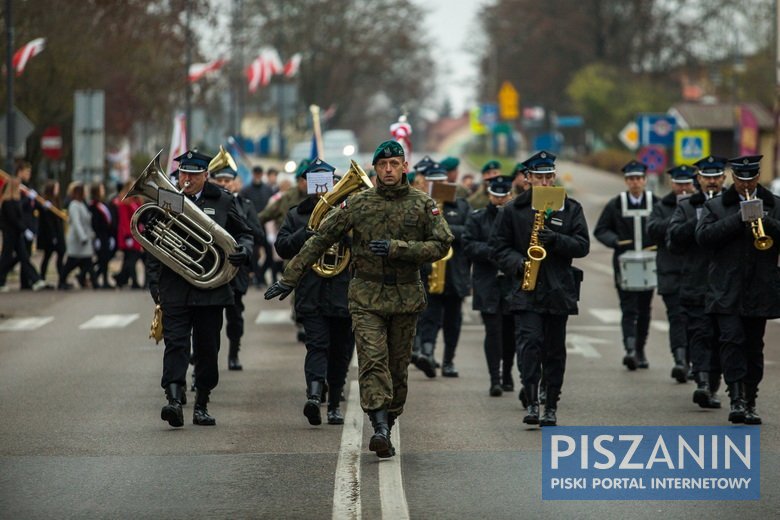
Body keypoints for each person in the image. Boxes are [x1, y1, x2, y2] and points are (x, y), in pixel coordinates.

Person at [265, 140, 453, 457]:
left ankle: (388, 422)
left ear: (405, 166)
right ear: (376, 169)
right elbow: (321, 238)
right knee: (372, 361)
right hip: (366, 297)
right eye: (383, 165)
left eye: (394, 164)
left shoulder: (423, 205)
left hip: (405, 296)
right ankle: (378, 427)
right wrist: (290, 277)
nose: (389, 170)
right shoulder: (358, 204)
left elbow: (442, 243)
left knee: (397, 369)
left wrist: (400, 249)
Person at [147, 150, 253, 428]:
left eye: (194, 174)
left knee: (208, 348)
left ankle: (202, 404)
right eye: (183, 173)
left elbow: (245, 234)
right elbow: (152, 245)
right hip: (175, 286)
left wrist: (244, 251)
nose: (187, 179)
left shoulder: (223, 199)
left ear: (206, 175)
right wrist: (153, 284)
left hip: (211, 288)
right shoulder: (168, 198)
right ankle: (172, 400)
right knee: (176, 344)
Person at [491, 151, 589, 426]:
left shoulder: (570, 208)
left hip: (559, 289)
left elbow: (582, 245)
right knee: (529, 344)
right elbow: (498, 247)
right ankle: (532, 401)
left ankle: (551, 405)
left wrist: (556, 239)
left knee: (555, 350)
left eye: (549, 177)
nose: (545, 183)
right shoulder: (513, 210)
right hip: (526, 288)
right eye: (539, 177)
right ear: (527, 179)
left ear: (554, 177)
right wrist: (519, 263)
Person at [695, 154, 780, 425]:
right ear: (733, 178)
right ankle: (736, 400)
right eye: (741, 179)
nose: (746, 184)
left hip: (760, 287)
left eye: (751, 179)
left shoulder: (774, 204)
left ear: (758, 177)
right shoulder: (718, 205)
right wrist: (738, 219)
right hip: (726, 288)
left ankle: (751, 399)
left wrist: (765, 221)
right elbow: (703, 238)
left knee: (754, 347)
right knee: (731, 342)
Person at [275, 158, 354, 425]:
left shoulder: (348, 212)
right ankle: (314, 395)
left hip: (343, 292)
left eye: (327, 180)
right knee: (316, 345)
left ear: (334, 184)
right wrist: (304, 234)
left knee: (341, 350)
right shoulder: (296, 214)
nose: (322, 186)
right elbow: (282, 247)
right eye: (316, 180)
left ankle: (333, 404)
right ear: (307, 183)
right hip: (311, 291)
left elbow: (363, 245)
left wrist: (345, 234)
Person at [668, 155, 728, 410]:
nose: (711, 182)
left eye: (716, 176)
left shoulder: (733, 203)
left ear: (724, 178)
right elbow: (674, 240)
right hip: (696, 281)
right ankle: (703, 383)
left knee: (721, 337)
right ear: (699, 180)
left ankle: (714, 384)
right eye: (706, 177)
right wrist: (701, 218)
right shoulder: (687, 206)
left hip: (727, 282)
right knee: (700, 333)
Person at [594, 160, 656, 370]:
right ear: (626, 181)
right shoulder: (615, 204)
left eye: (638, 178)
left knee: (644, 309)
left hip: (649, 263)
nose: (635, 182)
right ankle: (629, 349)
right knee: (628, 308)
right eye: (631, 179)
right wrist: (615, 241)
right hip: (624, 263)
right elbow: (601, 230)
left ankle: (640, 349)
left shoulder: (655, 202)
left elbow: (667, 226)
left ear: (645, 180)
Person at [414, 161, 472, 378]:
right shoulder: (420, 205)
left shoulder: (461, 205)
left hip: (455, 272)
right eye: (433, 182)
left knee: (453, 320)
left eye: (441, 182)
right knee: (429, 316)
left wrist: (444, 225)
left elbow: (469, 232)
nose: (437, 185)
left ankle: (448, 360)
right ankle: (427, 354)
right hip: (428, 271)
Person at [463, 175, 516, 396]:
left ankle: (507, 373)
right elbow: (468, 244)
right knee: (493, 331)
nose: (500, 200)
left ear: (510, 196)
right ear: (489, 194)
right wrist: (491, 252)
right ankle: (494, 377)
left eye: (503, 196)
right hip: (487, 281)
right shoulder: (478, 218)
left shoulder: (516, 218)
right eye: (496, 196)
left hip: (511, 282)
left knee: (510, 332)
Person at [211, 164, 265, 370]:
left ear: (236, 183)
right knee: (208, 319)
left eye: (228, 181)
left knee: (235, 316)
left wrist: (240, 221)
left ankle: (234, 353)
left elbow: (257, 234)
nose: (224, 184)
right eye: (220, 181)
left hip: (235, 269)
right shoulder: (210, 203)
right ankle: (204, 361)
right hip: (212, 267)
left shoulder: (246, 204)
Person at [647, 165, 696, 383]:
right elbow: (653, 230)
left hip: (696, 273)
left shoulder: (703, 205)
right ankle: (680, 360)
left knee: (696, 321)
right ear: (672, 184)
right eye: (679, 184)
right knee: (676, 317)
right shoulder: (661, 206)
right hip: (670, 271)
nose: (683, 188)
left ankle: (696, 362)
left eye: (687, 184)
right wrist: (677, 217)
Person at [0, 177, 47, 292]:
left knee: (24, 257)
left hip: (17, 234)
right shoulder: (7, 202)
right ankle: (1, 281)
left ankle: (35, 279)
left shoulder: (15, 201)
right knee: (6, 259)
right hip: (10, 234)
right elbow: (14, 219)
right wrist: (25, 229)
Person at [58, 182, 97, 290]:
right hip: (78, 239)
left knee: (87, 262)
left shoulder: (81, 204)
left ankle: (94, 282)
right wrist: (83, 237)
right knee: (71, 262)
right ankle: (62, 281)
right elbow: (76, 223)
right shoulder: (74, 205)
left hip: (83, 239)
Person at [240, 165, 274, 287]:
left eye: (260, 173)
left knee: (270, 254)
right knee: (254, 255)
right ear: (253, 174)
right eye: (256, 173)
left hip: (267, 226)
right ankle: (258, 279)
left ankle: (261, 275)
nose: (258, 176)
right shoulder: (246, 190)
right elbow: (242, 208)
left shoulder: (268, 189)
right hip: (252, 227)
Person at [112, 181, 145, 289]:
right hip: (129, 235)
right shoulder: (124, 203)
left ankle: (120, 279)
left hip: (136, 233)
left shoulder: (135, 201)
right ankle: (133, 282)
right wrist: (127, 236)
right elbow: (124, 221)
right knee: (132, 259)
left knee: (129, 259)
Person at [88, 182, 116, 289]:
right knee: (102, 259)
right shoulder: (93, 205)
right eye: (101, 188)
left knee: (105, 259)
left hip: (106, 235)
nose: (103, 190)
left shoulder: (102, 203)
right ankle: (101, 280)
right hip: (99, 235)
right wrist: (96, 237)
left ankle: (102, 279)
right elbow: (95, 222)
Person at [37, 180, 66, 283]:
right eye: (56, 188)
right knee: (47, 256)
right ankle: (42, 277)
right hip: (50, 235)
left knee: (60, 255)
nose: (57, 190)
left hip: (58, 233)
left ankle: (62, 278)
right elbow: (47, 222)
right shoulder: (46, 203)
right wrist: (53, 236)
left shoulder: (56, 201)